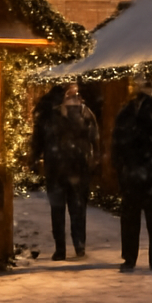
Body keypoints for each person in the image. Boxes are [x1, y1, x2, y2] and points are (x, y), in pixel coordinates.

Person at [111, 72, 152, 272]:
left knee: (147, 219)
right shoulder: (131, 112)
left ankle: (150, 259)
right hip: (138, 173)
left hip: (145, 174)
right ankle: (137, 258)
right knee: (137, 219)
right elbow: (118, 143)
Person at [38, 82, 100, 261]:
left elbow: (94, 137)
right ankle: (60, 248)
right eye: (70, 94)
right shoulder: (52, 115)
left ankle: (79, 244)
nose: (75, 98)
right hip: (57, 169)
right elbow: (44, 137)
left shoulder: (85, 113)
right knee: (58, 210)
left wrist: (93, 158)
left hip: (77, 168)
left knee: (77, 209)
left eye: (76, 94)